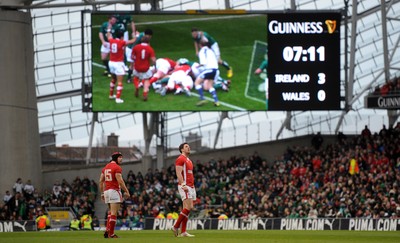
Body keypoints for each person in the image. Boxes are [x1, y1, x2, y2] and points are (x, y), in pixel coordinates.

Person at [99, 152, 130, 238]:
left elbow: (101, 181)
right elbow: (120, 181)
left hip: (107, 191)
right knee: (114, 213)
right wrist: (127, 191)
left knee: (110, 212)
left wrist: (102, 192)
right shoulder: (117, 167)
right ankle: (111, 234)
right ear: (116, 158)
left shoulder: (105, 167)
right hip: (114, 191)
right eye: (120, 157)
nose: (121, 159)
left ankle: (107, 230)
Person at [106, 25, 136, 104]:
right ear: (122, 36)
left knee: (113, 79)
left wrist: (109, 29)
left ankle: (111, 95)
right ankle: (118, 99)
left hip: (111, 63)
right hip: (118, 64)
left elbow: (108, 35)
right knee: (119, 82)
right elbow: (132, 41)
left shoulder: (111, 40)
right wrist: (136, 35)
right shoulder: (122, 42)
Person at [171, 143, 195, 237]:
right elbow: (178, 173)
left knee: (187, 208)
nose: (188, 147)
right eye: (186, 146)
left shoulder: (188, 160)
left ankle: (183, 231)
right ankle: (176, 226)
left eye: (189, 146)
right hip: (185, 185)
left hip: (191, 186)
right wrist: (183, 184)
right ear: (181, 149)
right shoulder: (180, 158)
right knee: (189, 207)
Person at [194, 39, 221, 107]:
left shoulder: (202, 51)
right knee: (209, 86)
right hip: (216, 70)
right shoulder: (211, 50)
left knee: (197, 82)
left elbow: (203, 63)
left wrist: (198, 66)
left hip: (209, 70)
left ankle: (202, 99)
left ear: (200, 45)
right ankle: (216, 101)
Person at [131, 33, 156, 101]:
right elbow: (153, 60)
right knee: (146, 80)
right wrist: (155, 65)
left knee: (136, 77)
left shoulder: (136, 47)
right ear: (148, 42)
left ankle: (137, 86)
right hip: (145, 68)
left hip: (137, 67)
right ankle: (145, 93)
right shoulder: (150, 49)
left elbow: (132, 57)